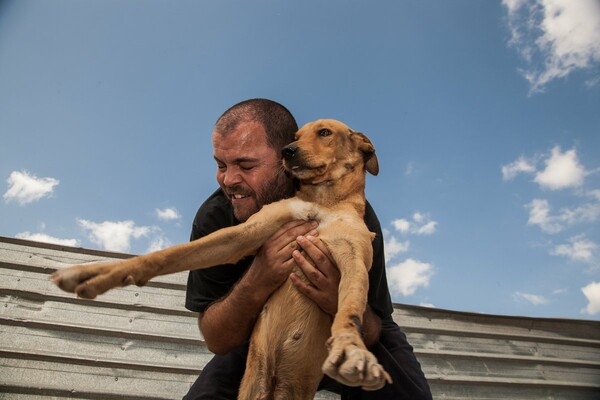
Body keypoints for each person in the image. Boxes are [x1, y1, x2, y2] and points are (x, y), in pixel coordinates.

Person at [184, 98, 432, 400]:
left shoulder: (351, 214)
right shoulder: (216, 216)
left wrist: (336, 300)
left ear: (285, 159)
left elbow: (376, 327)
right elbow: (217, 339)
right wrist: (258, 278)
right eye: (221, 165)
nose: (229, 180)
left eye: (246, 165)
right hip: (265, 331)